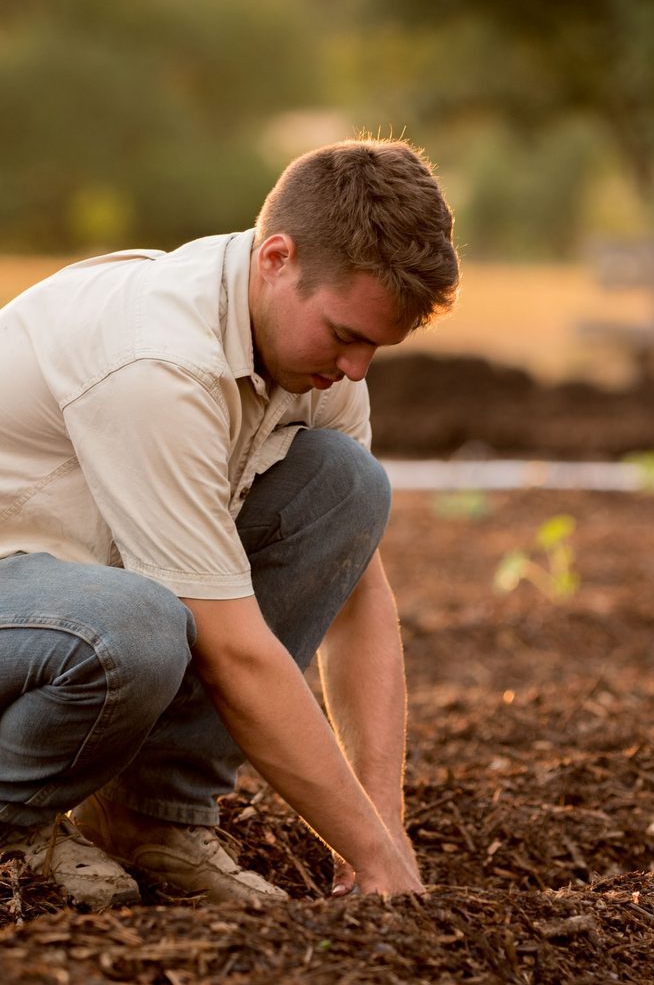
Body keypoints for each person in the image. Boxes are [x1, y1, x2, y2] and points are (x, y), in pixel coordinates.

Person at [0, 137, 460, 909]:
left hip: (60, 595)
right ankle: (9, 828)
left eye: (376, 346)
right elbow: (234, 653)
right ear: (276, 258)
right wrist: (367, 853)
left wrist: (383, 828)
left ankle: (150, 819)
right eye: (347, 335)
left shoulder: (315, 362)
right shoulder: (159, 362)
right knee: (135, 628)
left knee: (347, 487)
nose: (357, 370)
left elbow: (356, 594)